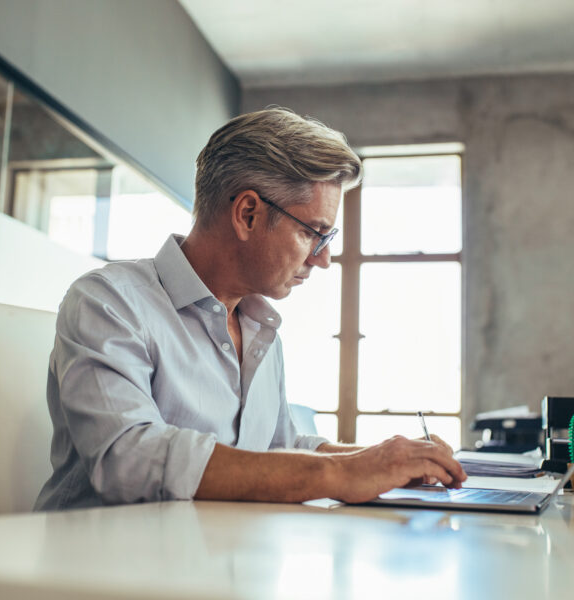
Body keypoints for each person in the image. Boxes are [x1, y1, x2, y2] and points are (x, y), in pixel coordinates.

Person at [35, 108, 466, 511]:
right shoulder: (109, 302)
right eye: (314, 233)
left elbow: (277, 447)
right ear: (247, 214)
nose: (323, 259)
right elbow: (128, 458)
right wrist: (342, 472)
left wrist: (385, 460)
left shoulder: (259, 327)